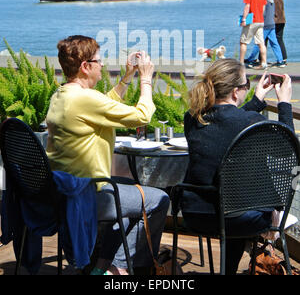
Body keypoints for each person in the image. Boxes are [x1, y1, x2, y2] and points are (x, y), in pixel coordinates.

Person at [46, 35, 169, 275]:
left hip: (65, 192)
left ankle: (101, 267)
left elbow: (103, 103)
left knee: (129, 194)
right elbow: (142, 115)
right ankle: (120, 269)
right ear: (85, 66)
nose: (102, 65)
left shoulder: (61, 95)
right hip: (88, 194)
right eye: (99, 61)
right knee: (159, 200)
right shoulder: (84, 99)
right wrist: (146, 80)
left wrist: (127, 76)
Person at [181, 58, 293, 275]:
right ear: (235, 92)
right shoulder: (249, 122)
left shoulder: (192, 118)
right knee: (239, 205)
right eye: (245, 86)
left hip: (196, 214)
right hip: (239, 220)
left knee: (233, 201)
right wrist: (284, 103)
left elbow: (228, 123)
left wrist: (257, 99)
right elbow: (286, 150)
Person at [245, 0, 285, 68]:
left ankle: (251, 59)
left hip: (265, 24)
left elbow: (261, 12)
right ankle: (280, 60)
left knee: (258, 42)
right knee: (274, 43)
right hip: (272, 23)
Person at [239, 0, 267, 69]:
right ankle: (264, 63)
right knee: (261, 43)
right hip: (260, 20)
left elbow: (247, 6)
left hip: (251, 21)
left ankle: (241, 63)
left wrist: (244, 19)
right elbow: (263, 8)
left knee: (243, 42)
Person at [268, 0, 288, 64]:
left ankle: (261, 59)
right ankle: (284, 57)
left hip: (275, 21)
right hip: (282, 20)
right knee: (279, 39)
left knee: (265, 39)